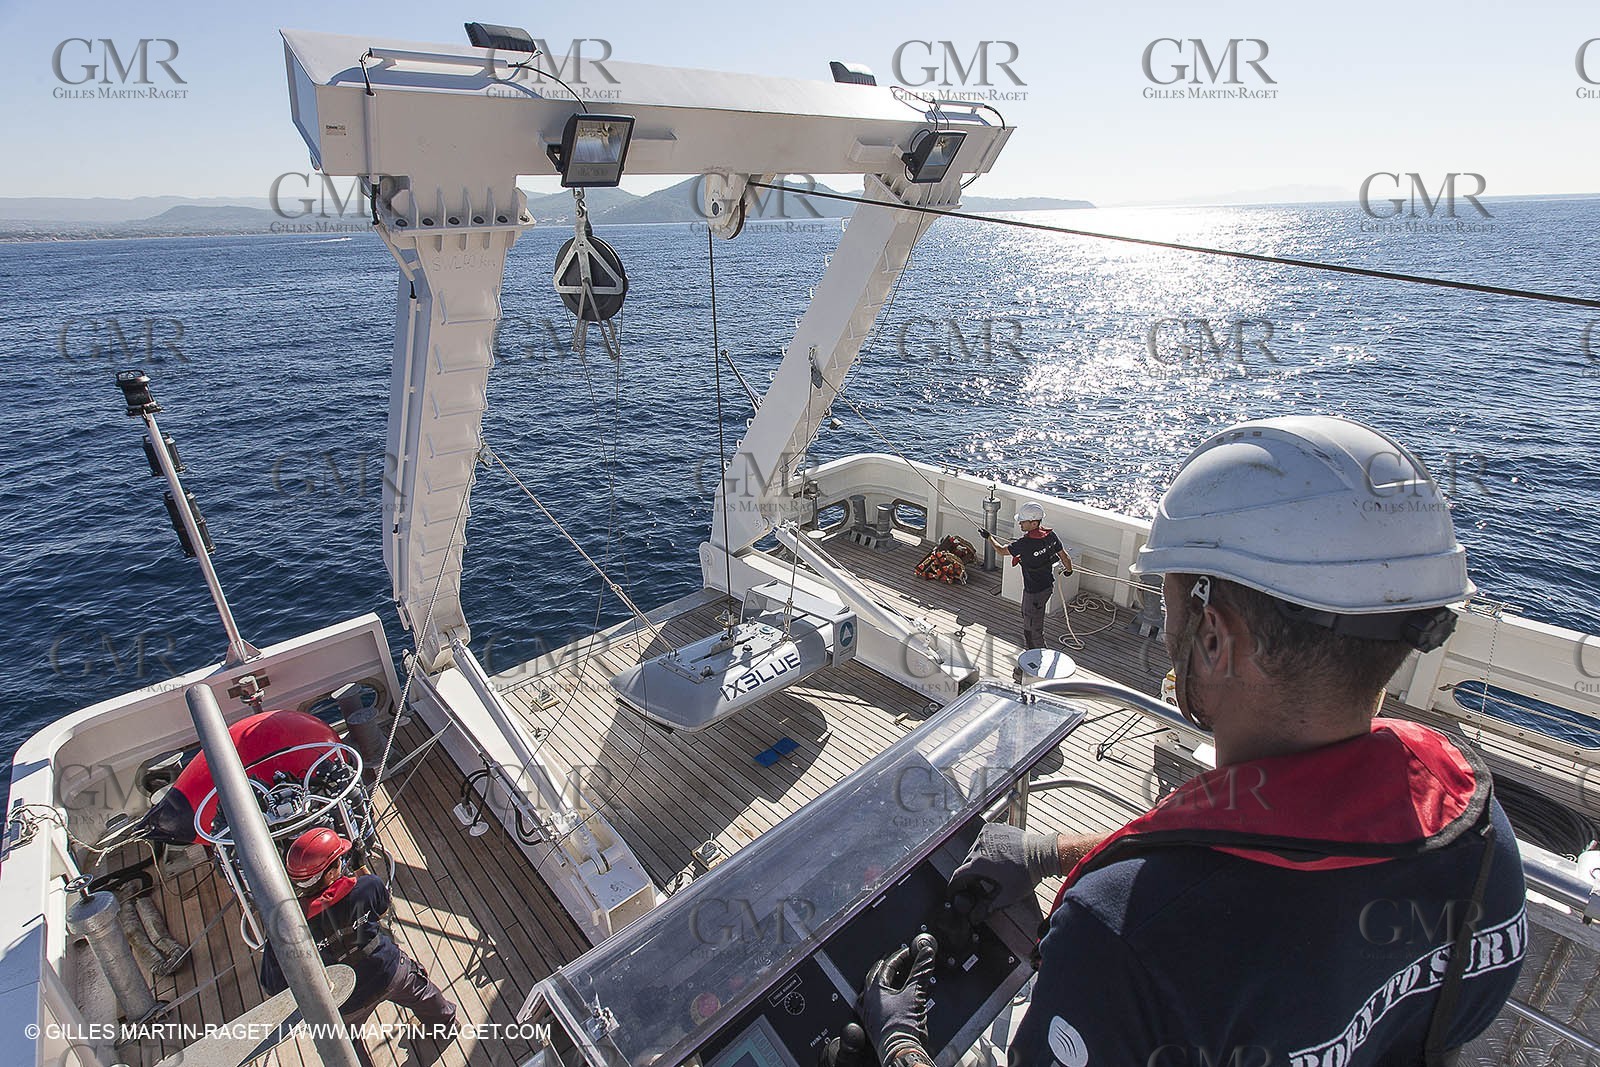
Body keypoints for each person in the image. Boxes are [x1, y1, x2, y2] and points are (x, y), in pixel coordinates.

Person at [864, 416, 1526, 1067]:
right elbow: (1294, 843)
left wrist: (899, 1046)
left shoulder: (1115, 940)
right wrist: (1054, 852)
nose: (1164, 626)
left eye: (1170, 604)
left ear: (1213, 638)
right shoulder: (1477, 833)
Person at [261, 828, 457, 1063]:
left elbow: (273, 985)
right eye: (339, 860)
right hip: (388, 971)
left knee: (347, 1044)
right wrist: (360, 866)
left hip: (343, 999)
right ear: (330, 873)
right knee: (422, 993)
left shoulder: (286, 927)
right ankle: (445, 1026)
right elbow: (383, 909)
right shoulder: (366, 886)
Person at [979, 501, 1073, 650]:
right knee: (1033, 618)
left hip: (1033, 593)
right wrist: (1068, 571)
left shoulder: (1024, 544)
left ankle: (1036, 655)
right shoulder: (1051, 536)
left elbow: (1001, 551)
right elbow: (1065, 557)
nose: (1020, 524)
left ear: (1034, 523)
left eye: (1023, 521)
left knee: (1032, 629)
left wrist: (989, 537)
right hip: (1047, 587)